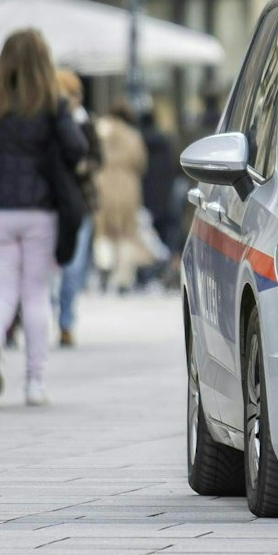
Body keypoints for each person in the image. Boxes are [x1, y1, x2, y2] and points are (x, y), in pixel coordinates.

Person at [0, 30, 88, 408]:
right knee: (35, 294)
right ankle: (34, 384)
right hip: (39, 208)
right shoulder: (53, 102)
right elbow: (77, 148)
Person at [51, 69, 98, 348]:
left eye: (74, 93)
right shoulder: (48, 122)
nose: (72, 99)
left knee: (73, 267)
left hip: (80, 203)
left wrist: (83, 167)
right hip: (51, 204)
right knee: (48, 269)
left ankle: (66, 322)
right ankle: (51, 311)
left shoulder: (86, 123)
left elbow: (96, 158)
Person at [94, 102, 151, 294]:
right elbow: (141, 162)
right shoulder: (133, 136)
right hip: (127, 185)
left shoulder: (100, 131)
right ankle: (123, 278)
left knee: (102, 230)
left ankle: (104, 264)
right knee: (126, 232)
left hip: (102, 182)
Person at [138, 106, 183, 291]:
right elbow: (173, 166)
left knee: (145, 235)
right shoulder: (165, 141)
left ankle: (147, 273)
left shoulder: (138, 141)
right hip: (163, 196)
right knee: (164, 235)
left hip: (144, 195)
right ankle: (163, 272)